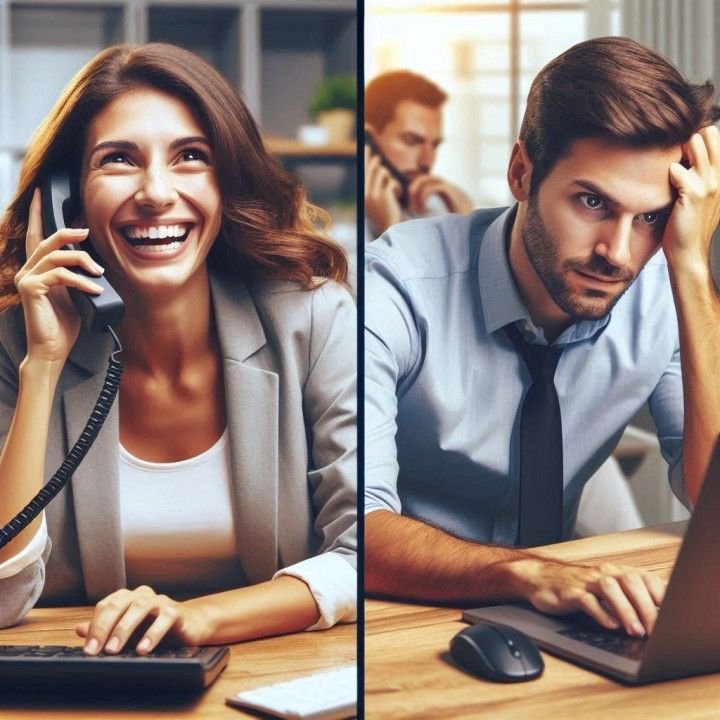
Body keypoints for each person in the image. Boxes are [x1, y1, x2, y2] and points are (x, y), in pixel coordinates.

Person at [0, 43, 357, 655]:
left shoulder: (311, 317)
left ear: (228, 181)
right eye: (118, 160)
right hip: (80, 684)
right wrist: (44, 366)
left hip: (274, 675)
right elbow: (2, 600)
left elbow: (364, 552)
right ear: (67, 195)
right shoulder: (18, 338)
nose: (156, 192)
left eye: (191, 156)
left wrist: (202, 619)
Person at [365, 37, 720, 639]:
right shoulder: (397, 286)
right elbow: (357, 525)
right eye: (591, 202)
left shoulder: (661, 289)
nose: (617, 253)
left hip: (555, 623)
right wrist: (530, 574)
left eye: (650, 218)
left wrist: (690, 267)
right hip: (398, 618)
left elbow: (711, 503)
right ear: (521, 172)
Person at [364, 70, 474, 240]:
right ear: (368, 140)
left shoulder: (434, 208)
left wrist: (470, 220)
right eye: (412, 141)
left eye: (435, 144)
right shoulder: (348, 228)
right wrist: (391, 227)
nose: (427, 161)